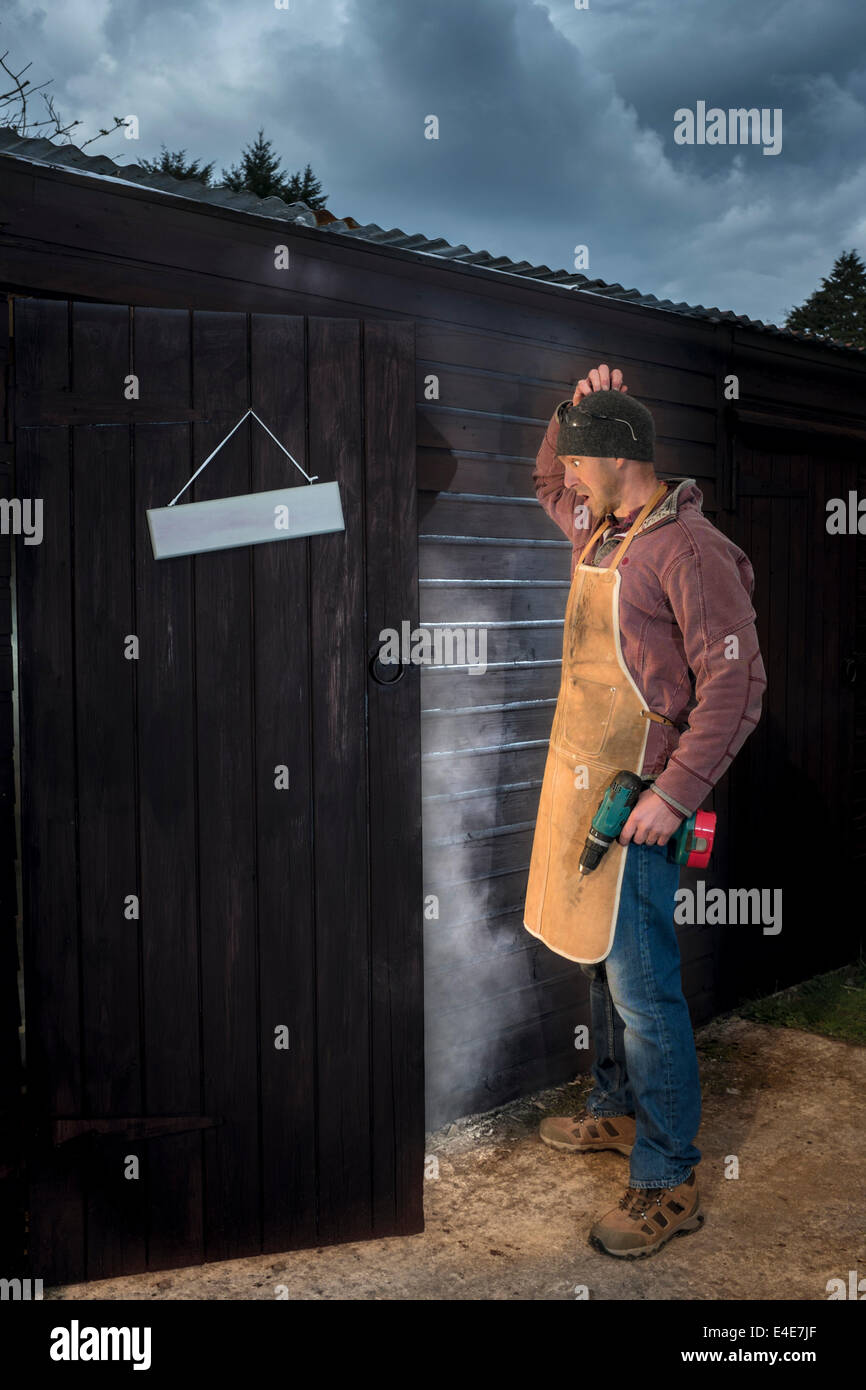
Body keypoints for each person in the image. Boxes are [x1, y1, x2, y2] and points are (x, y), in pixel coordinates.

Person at [532, 363, 767, 1258]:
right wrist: (571, 404)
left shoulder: (687, 550)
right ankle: (614, 1109)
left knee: (644, 988)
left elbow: (737, 683)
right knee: (598, 959)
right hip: (581, 788)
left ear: (618, 462)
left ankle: (669, 1179)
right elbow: (545, 478)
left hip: (640, 795)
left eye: (580, 458)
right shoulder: (603, 529)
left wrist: (673, 796)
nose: (567, 482)